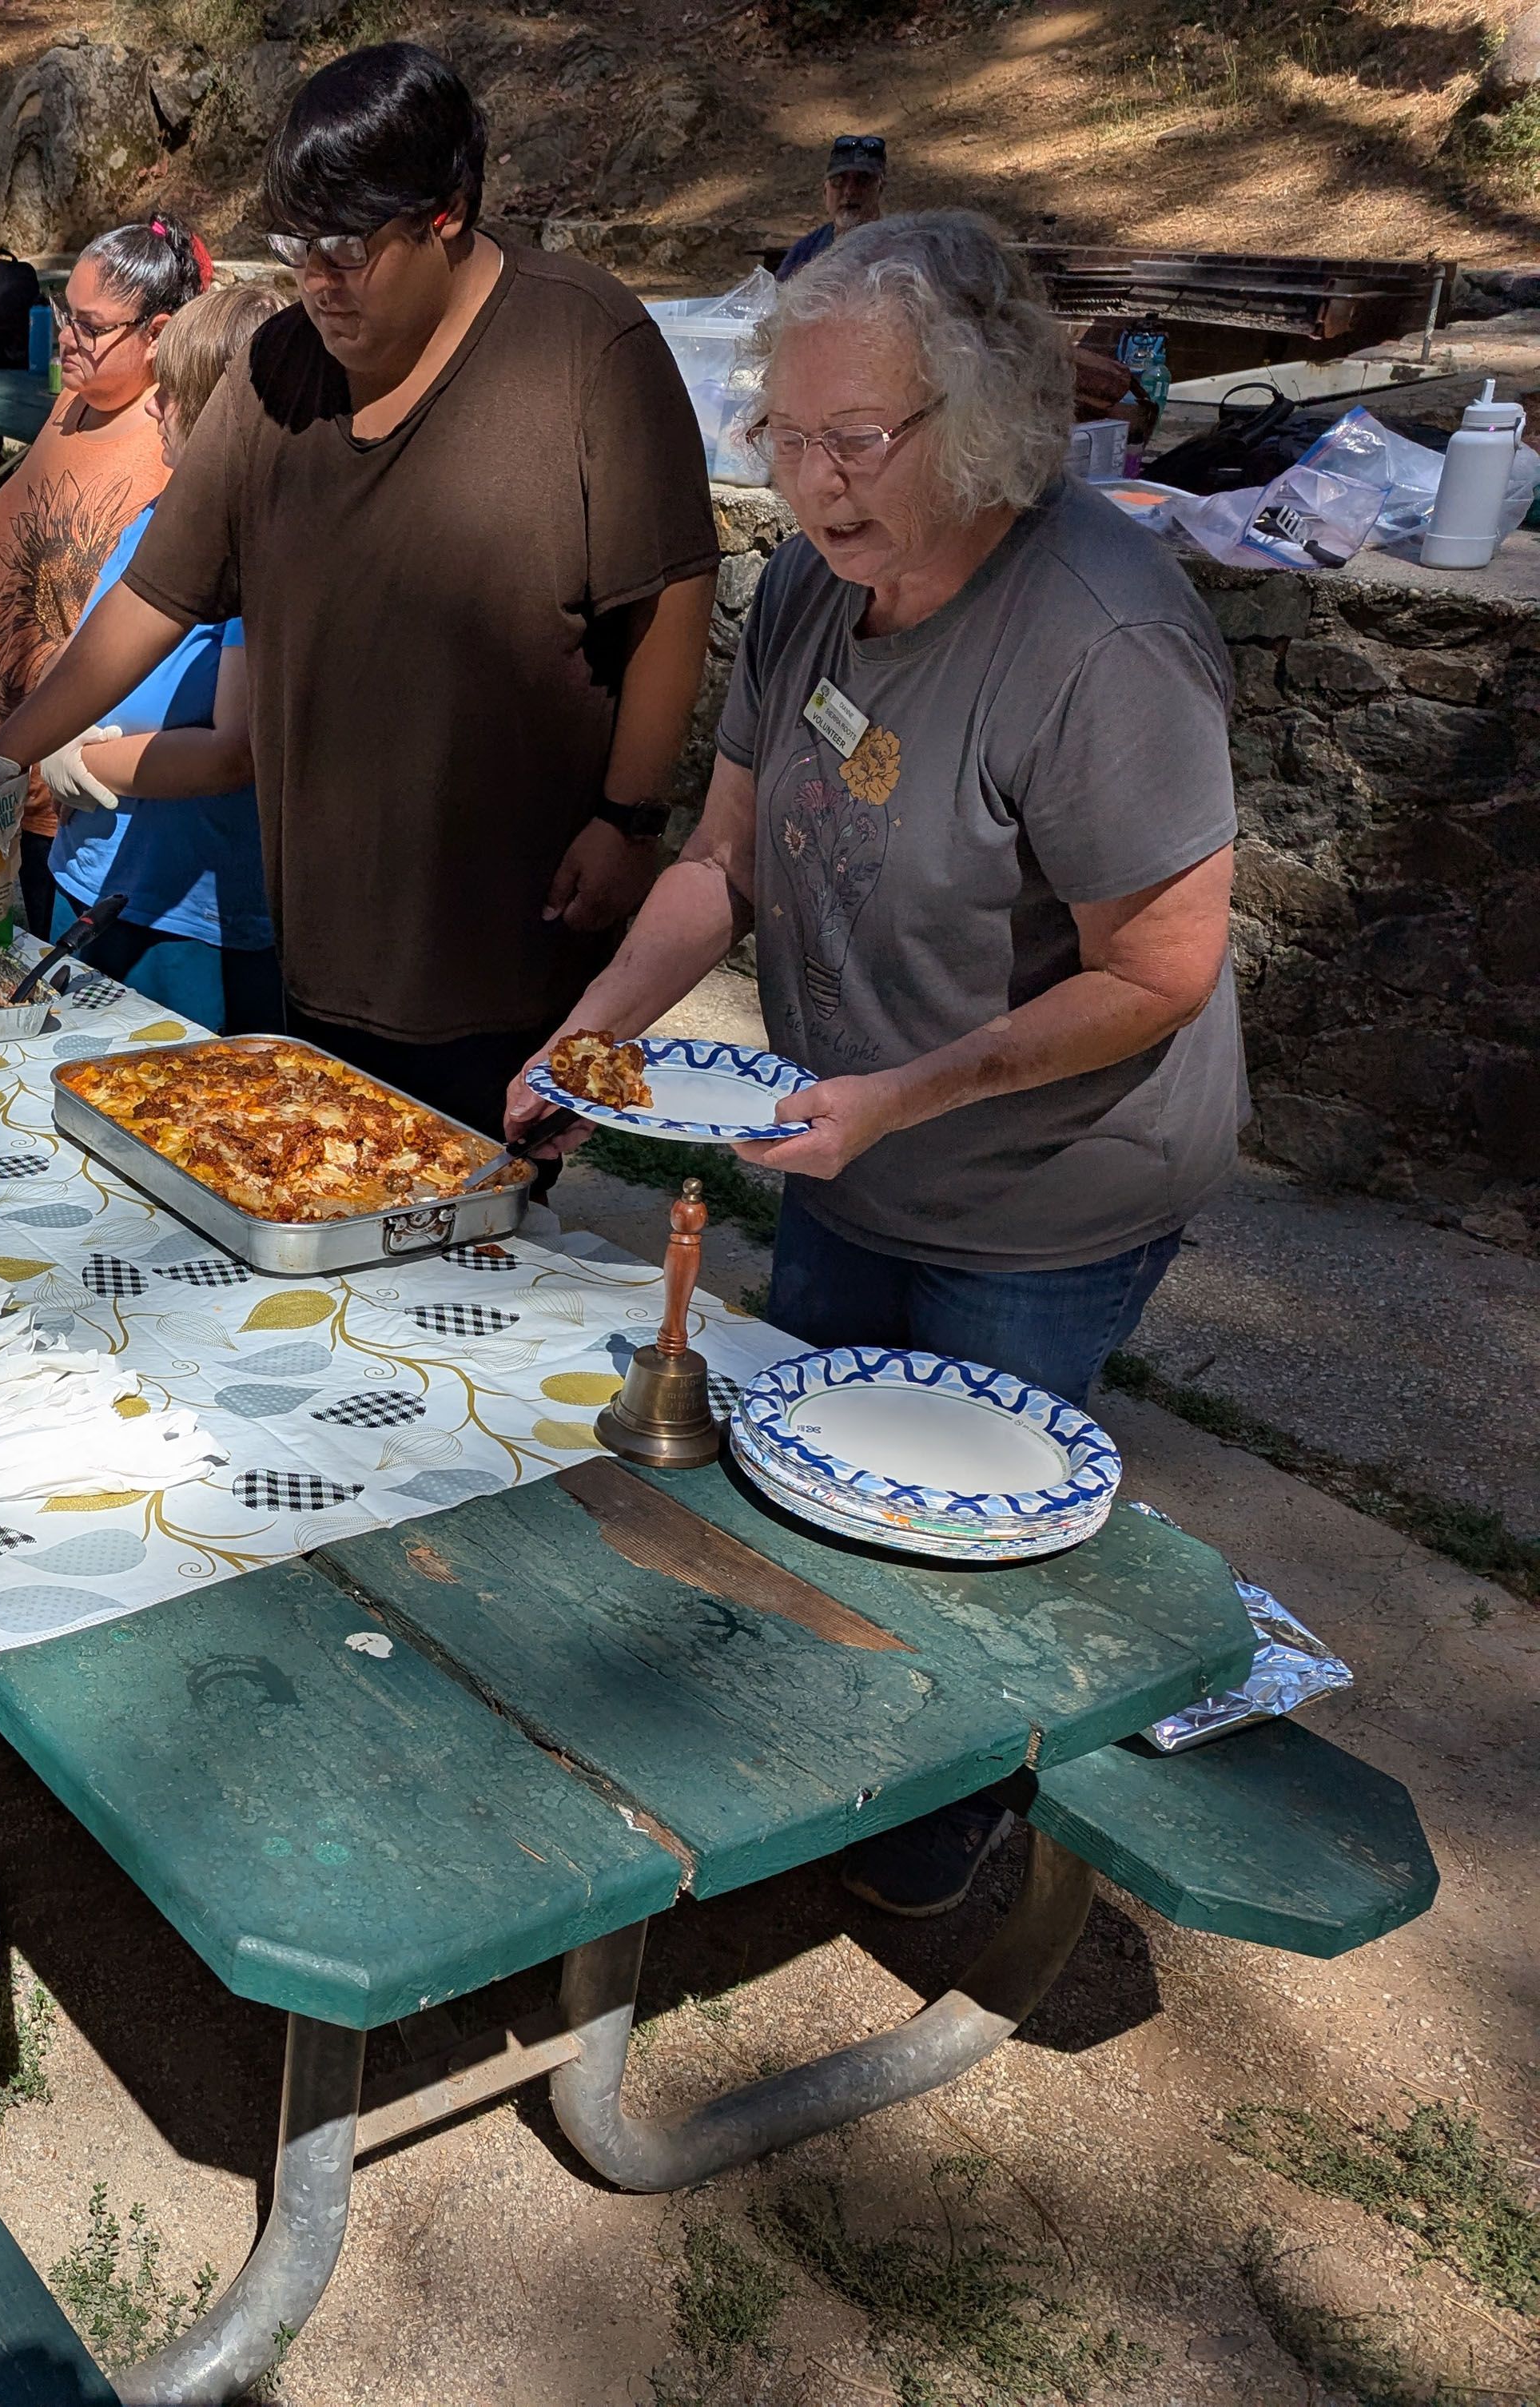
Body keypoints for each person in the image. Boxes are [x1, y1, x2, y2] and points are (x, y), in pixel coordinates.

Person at [503, 213, 1245, 1917]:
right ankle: (814, 1785)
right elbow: (725, 857)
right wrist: (591, 1029)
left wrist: (902, 1098)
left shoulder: (1097, 637)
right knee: (794, 1479)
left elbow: (1162, 964)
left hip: (1041, 1189)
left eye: (855, 441)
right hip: (843, 1138)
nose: (813, 484)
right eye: (786, 436)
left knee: (957, 1548)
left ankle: (942, 1836)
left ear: (977, 423)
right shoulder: (809, 594)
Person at [0, 42, 721, 1138]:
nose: (317, 281)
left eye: (347, 249)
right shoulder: (276, 368)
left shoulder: (583, 343)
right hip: (318, 942)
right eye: (296, 248)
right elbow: (155, 594)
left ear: (448, 213)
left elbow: (672, 587)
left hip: (506, 945)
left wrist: (631, 815)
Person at [33, 280, 286, 1034]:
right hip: (91, 881)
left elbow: (233, 750)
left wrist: (85, 762)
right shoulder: (154, 514)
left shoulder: (255, 553)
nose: (151, 406)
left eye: (170, 393)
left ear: (222, 418)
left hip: (189, 920)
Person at [0, 214, 209, 935]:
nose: (67, 336)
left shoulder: (170, 444)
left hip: (74, 783)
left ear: (157, 333)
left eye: (92, 327)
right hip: (9, 758)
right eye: (65, 313)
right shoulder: (74, 401)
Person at [778, 133, 887, 280]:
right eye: (838, 181)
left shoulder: (897, 248)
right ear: (825, 192)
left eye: (862, 181)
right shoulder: (804, 251)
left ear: (879, 189)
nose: (849, 191)